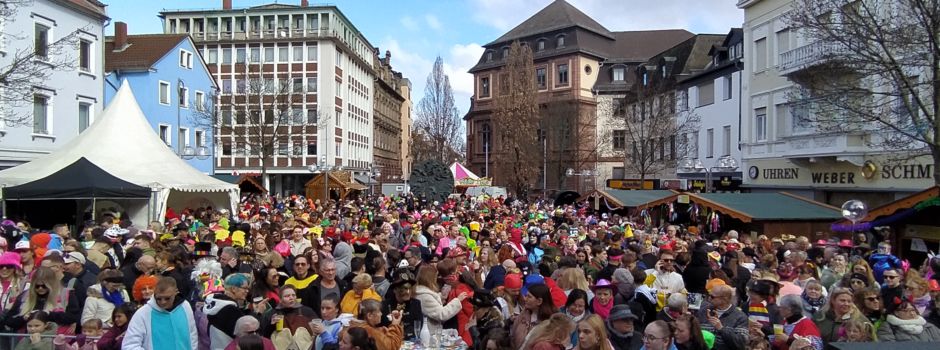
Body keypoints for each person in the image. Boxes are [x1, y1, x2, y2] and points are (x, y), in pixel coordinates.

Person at [122, 276, 198, 350]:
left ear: (176, 292)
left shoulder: (185, 306)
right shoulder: (143, 313)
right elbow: (129, 345)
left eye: (167, 298)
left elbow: (192, 334)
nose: (163, 302)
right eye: (158, 298)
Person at [2, 266, 81, 332]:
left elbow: (73, 317)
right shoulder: (25, 295)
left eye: (44, 286)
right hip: (26, 341)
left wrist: (49, 314)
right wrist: (23, 318)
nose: (40, 288)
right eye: (37, 286)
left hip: (55, 341)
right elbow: (9, 320)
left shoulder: (66, 294)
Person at [414, 264, 466, 340]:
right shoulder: (424, 296)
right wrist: (457, 300)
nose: (437, 279)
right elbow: (442, 314)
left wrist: (441, 297)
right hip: (430, 335)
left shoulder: (422, 292)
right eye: (435, 276)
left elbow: (432, 308)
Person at [262, 285, 317, 349]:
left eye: (293, 295)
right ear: (280, 299)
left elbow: (317, 333)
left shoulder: (307, 312)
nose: (291, 298)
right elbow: (265, 337)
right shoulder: (273, 314)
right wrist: (271, 325)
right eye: (287, 296)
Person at [205, 273, 251, 350]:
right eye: (244, 288)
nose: (247, 291)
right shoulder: (231, 310)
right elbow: (248, 333)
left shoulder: (218, 305)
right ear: (233, 289)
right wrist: (257, 313)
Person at [697, 285, 747, 350]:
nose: (709, 298)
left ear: (724, 299)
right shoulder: (703, 311)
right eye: (709, 295)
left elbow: (741, 343)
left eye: (712, 297)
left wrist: (721, 329)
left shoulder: (740, 317)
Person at [511, 283, 557, 349]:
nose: (525, 299)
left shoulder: (551, 322)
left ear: (539, 301)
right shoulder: (524, 313)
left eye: (529, 297)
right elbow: (513, 335)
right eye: (526, 295)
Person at [380, 272, 423, 340]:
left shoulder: (415, 304)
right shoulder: (384, 305)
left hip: (409, 341)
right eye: (404, 289)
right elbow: (381, 328)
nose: (408, 292)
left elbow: (418, 326)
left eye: (410, 288)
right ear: (395, 290)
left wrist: (403, 335)